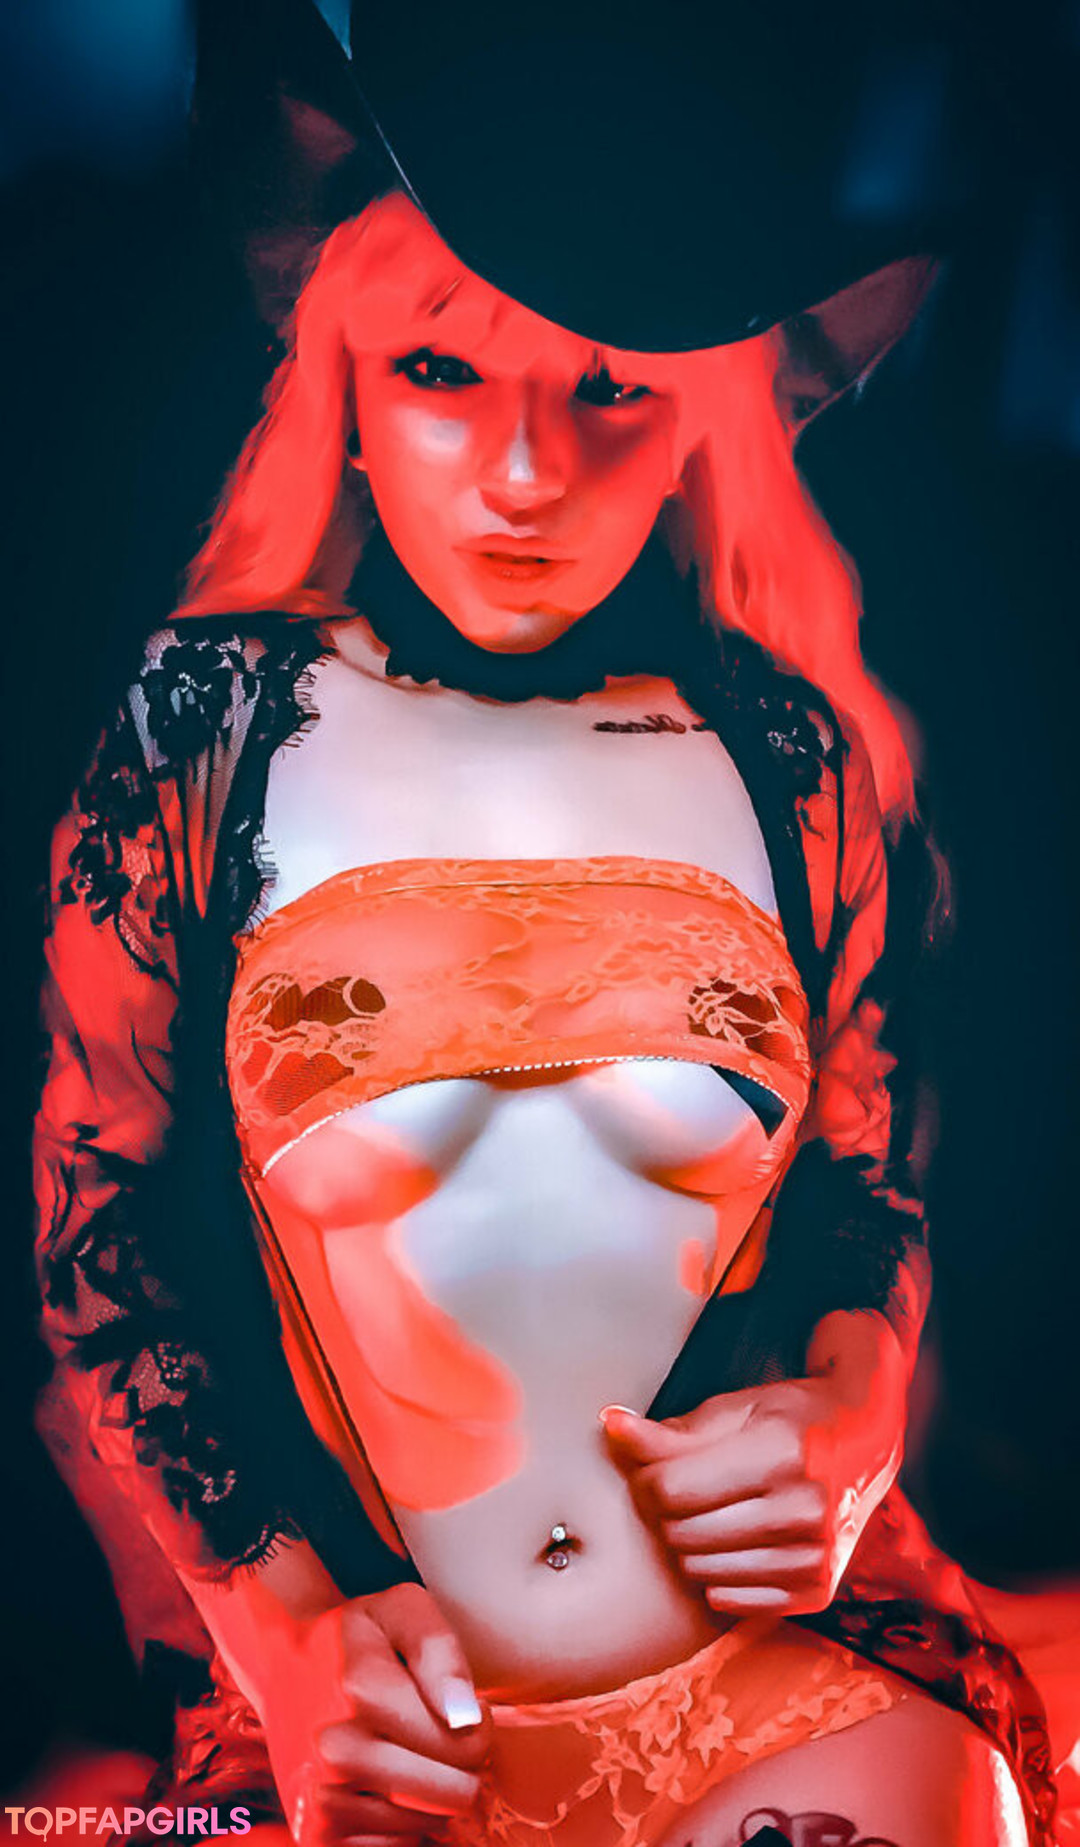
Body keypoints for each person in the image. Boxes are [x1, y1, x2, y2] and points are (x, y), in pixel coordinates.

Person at [31, 5, 1057, 1845]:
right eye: (441, 369)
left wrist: (852, 1411)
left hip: (759, 1706)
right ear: (344, 384)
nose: (523, 473)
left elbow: (860, 1185)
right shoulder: (212, 723)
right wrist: (283, 1643)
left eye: (610, 390)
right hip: (368, 1739)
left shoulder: (791, 756)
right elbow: (98, 1228)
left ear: (706, 414)